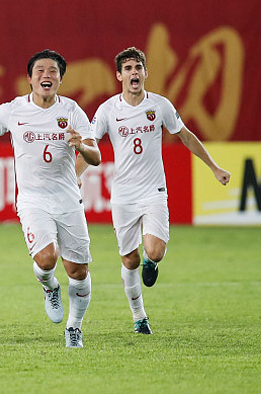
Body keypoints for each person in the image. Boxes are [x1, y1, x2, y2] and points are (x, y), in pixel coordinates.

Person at [81, 47, 230, 335]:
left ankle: (152, 263)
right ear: (119, 75)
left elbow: (184, 135)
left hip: (154, 190)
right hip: (123, 194)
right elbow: (90, 145)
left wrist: (213, 167)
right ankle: (139, 317)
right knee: (129, 260)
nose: (133, 73)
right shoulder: (108, 110)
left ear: (146, 73)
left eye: (138, 67)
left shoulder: (159, 105)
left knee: (155, 252)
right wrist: (75, 175)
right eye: (128, 69)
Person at [0, 50, 100, 348]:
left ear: (60, 78)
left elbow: (96, 157)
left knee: (78, 271)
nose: (47, 75)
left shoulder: (72, 112)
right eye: (40, 70)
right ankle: (49, 286)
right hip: (32, 200)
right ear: (29, 78)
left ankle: (74, 327)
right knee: (46, 258)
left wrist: (81, 145)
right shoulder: (12, 110)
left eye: (53, 71)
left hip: (68, 200)